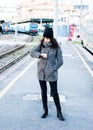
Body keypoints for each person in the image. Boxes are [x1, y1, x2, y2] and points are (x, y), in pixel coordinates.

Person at [30, 27, 65, 121]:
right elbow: (31, 53)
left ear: (51, 38)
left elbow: (60, 61)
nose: (46, 40)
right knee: (43, 92)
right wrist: (40, 55)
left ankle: (59, 112)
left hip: (52, 74)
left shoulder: (56, 47)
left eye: (48, 38)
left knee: (55, 93)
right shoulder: (41, 45)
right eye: (45, 38)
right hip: (41, 73)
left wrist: (53, 69)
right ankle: (45, 111)